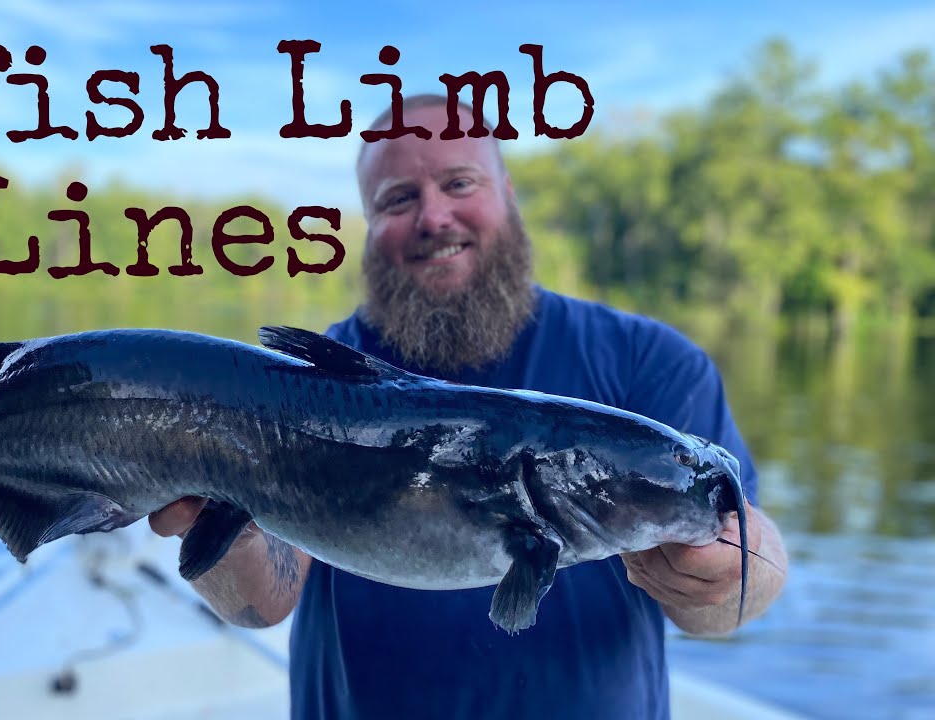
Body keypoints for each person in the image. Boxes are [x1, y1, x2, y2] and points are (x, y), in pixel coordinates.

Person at [150, 94, 788, 719]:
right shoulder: (304, 383)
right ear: (372, 225)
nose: (433, 217)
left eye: (459, 182)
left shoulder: (647, 361)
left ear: (508, 194)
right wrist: (213, 523)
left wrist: (729, 576)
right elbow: (263, 604)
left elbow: (744, 580)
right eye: (398, 198)